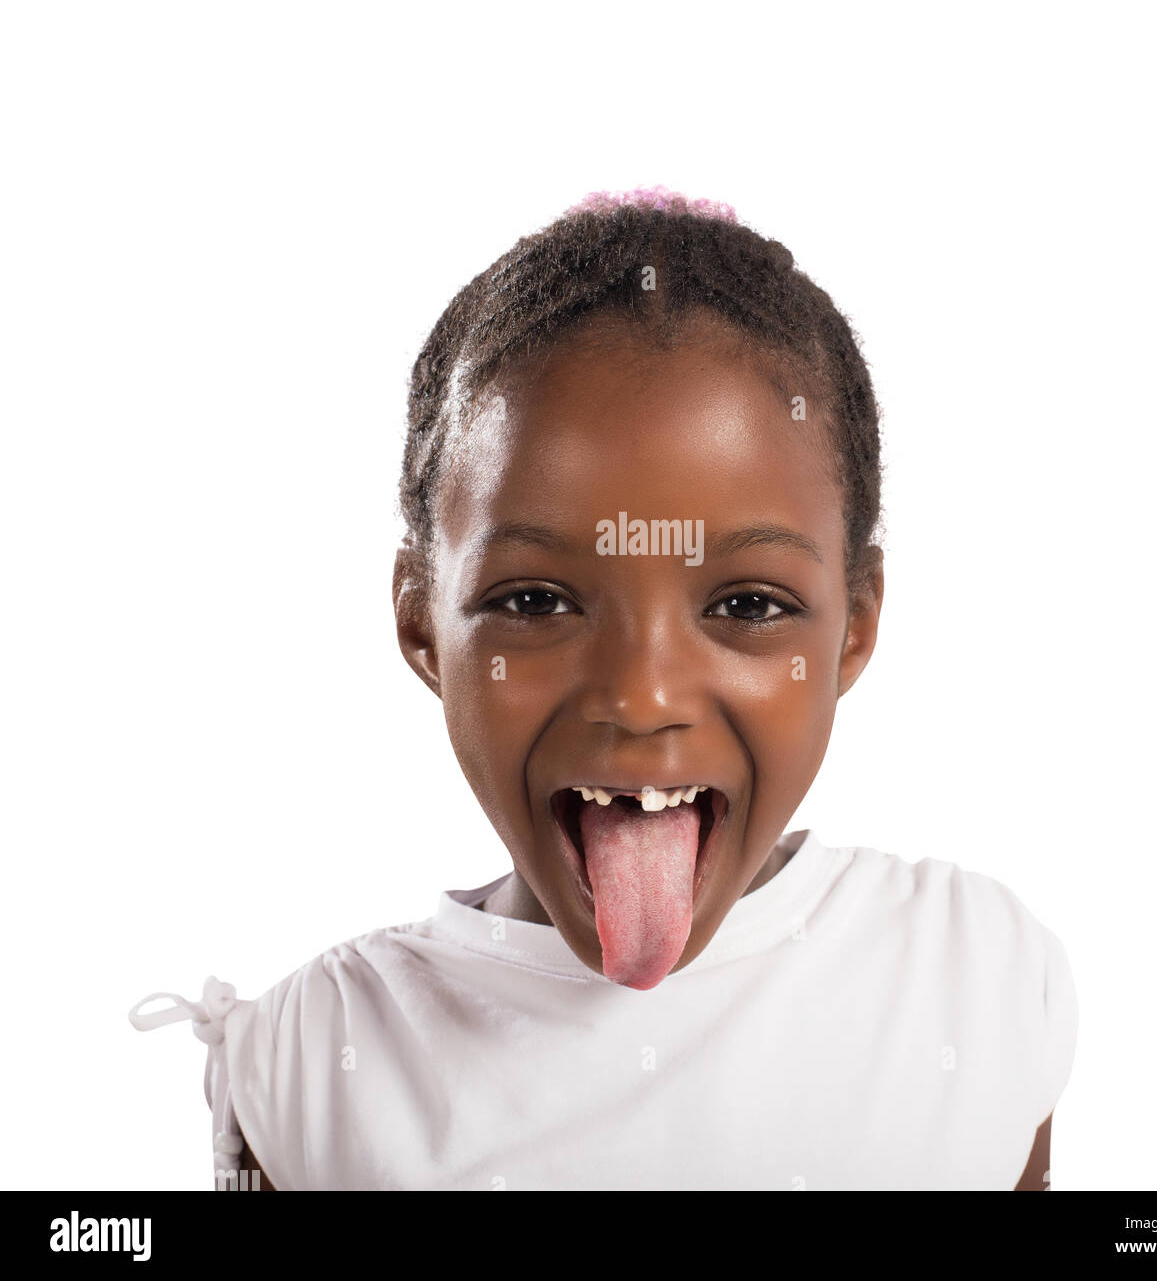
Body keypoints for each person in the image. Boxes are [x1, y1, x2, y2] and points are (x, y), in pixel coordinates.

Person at [129, 186, 1077, 1190]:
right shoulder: (315, 1064)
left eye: (747, 605)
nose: (638, 696)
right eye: (534, 599)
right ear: (420, 622)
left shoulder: (976, 977)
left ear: (855, 625)